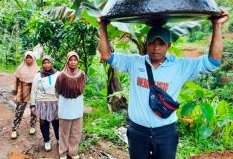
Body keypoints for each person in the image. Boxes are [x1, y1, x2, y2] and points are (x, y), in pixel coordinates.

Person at [97, 9, 229, 159]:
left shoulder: (180, 66)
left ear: (169, 45)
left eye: (161, 43)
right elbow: (106, 55)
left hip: (165, 132)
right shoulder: (134, 62)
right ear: (146, 44)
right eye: (152, 43)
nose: (156, 48)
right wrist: (103, 26)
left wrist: (217, 25)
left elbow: (213, 61)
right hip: (137, 131)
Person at [55, 51, 86, 159]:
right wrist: (64, 100)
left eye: (75, 60)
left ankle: (72, 152)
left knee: (76, 132)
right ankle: (63, 152)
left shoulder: (82, 74)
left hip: (77, 106)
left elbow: (83, 89)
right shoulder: (61, 75)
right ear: (67, 61)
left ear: (78, 61)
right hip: (65, 106)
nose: (73, 62)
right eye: (71, 60)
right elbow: (57, 91)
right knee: (64, 132)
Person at [29, 55, 60, 151]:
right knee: (44, 123)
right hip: (42, 102)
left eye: (48, 62)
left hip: (55, 102)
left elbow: (62, 89)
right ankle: (46, 141)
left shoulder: (58, 74)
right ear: (42, 64)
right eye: (44, 63)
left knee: (57, 123)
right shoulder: (38, 75)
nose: (46, 65)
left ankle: (59, 139)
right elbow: (33, 90)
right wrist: (32, 105)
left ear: (51, 63)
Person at [11, 51, 40, 139]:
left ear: (33, 58)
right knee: (19, 110)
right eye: (27, 57)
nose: (28, 59)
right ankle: (14, 129)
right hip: (23, 90)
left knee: (33, 109)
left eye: (30, 57)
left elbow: (40, 82)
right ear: (24, 58)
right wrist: (15, 94)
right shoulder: (20, 68)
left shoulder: (38, 69)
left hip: (34, 91)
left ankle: (32, 126)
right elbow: (16, 82)